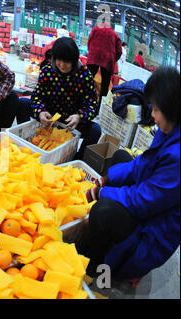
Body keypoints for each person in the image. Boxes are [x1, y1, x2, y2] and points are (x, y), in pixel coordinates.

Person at [68, 67, 180, 281]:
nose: (153, 116)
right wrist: (106, 179)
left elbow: (143, 200)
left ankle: (98, 269)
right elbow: (142, 164)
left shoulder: (178, 157)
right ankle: (103, 236)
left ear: (171, 108)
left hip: (154, 229)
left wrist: (101, 193)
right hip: (151, 201)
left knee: (103, 210)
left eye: (156, 109)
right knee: (120, 157)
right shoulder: (170, 129)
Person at [17, 37, 101, 159]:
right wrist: (40, 112)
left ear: (74, 60)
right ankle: (26, 142)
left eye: (66, 62)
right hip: (49, 117)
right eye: (58, 60)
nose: (62, 65)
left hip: (70, 123)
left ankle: (75, 159)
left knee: (95, 130)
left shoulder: (84, 75)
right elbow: (37, 96)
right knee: (23, 103)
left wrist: (79, 116)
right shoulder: (47, 71)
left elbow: (92, 104)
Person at [86, 22, 122, 103]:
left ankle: (84, 100)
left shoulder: (95, 30)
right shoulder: (114, 34)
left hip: (93, 56)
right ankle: (100, 106)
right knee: (105, 85)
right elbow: (119, 51)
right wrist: (114, 59)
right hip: (107, 60)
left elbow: (89, 42)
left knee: (87, 79)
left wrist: (91, 52)